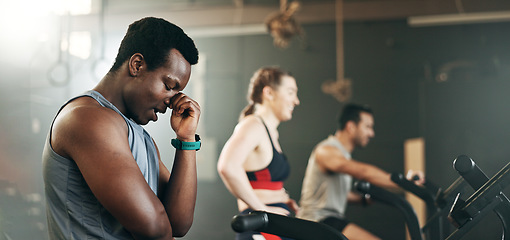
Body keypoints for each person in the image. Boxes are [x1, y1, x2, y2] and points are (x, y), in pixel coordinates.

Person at [42, 17, 200, 240]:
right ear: (137, 65)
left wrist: (186, 139)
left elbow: (179, 224)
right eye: (169, 86)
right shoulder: (86, 118)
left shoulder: (141, 137)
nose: (172, 101)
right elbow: (155, 228)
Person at [297, 103, 424, 240]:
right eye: (368, 127)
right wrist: (405, 183)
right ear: (351, 127)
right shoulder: (325, 151)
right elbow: (363, 172)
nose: (372, 133)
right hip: (315, 222)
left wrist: (363, 200)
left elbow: (339, 194)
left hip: (330, 221)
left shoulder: (342, 154)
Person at [217, 67, 300, 240]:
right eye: (291, 92)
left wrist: (282, 197)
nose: (296, 101)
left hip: (273, 223)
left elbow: (262, 180)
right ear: (269, 93)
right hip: (261, 226)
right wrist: (263, 209)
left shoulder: (271, 132)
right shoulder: (253, 125)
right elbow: (227, 166)